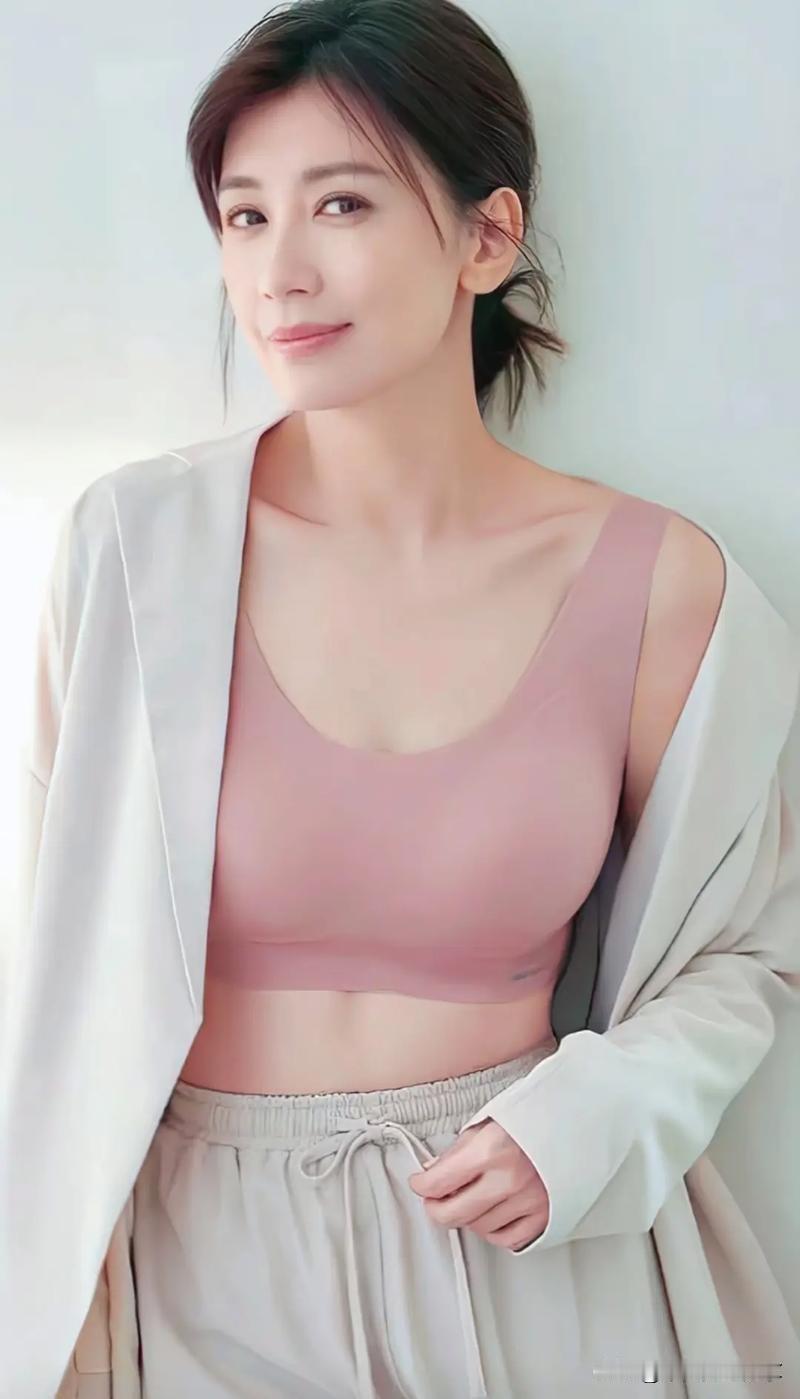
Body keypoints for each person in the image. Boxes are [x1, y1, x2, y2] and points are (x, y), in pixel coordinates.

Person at [4, 3, 800, 1398]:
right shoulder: (134, 555)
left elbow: (748, 951)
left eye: (343, 204)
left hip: (528, 1259)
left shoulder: (665, 588)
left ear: (488, 237)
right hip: (204, 1270)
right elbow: (62, 959)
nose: (280, 272)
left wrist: (593, 1119)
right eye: (244, 217)